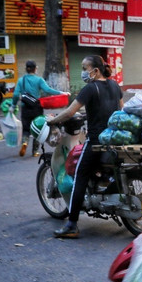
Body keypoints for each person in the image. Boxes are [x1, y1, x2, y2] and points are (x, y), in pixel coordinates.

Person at [47, 55, 122, 239]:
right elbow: (121, 111)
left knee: (80, 175)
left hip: (96, 141)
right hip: (115, 139)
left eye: (84, 68)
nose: (82, 72)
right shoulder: (115, 85)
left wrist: (53, 121)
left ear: (95, 71)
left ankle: (72, 224)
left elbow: (70, 112)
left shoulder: (90, 88)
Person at [12, 60, 62, 157]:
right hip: (37, 108)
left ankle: (25, 142)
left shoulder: (21, 80)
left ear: (26, 69)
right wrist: (61, 93)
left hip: (25, 108)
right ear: (35, 69)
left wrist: (13, 106)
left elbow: (15, 95)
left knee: (26, 129)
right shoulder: (39, 80)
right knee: (38, 130)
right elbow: (47, 90)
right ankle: (35, 152)